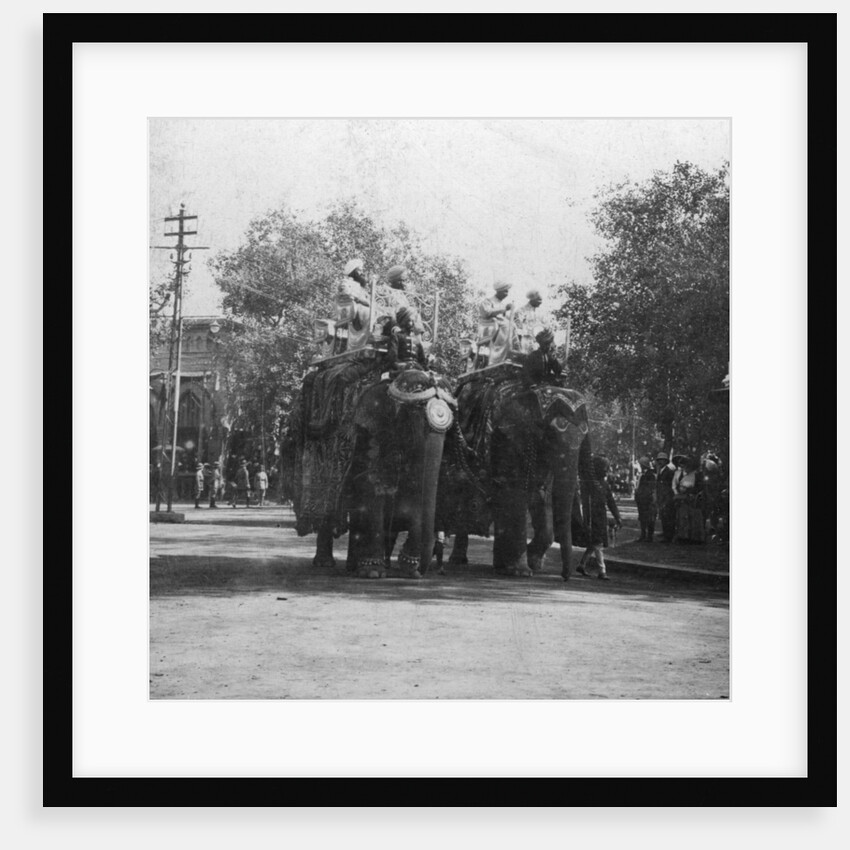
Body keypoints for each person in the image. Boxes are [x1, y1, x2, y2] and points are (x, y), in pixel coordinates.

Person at [576, 454, 622, 580]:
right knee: (597, 544)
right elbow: (587, 504)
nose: (606, 470)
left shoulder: (604, 484)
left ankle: (582, 564)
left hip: (601, 517)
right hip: (592, 517)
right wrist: (588, 522)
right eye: (604, 467)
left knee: (594, 543)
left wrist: (617, 516)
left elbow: (610, 501)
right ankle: (602, 571)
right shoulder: (589, 484)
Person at [334, 258, 372, 353]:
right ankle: (368, 339)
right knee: (369, 313)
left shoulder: (362, 287)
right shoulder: (345, 283)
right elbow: (347, 295)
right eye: (359, 270)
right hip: (352, 309)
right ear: (353, 271)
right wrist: (361, 300)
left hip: (364, 306)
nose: (362, 272)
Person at [476, 280, 514, 367]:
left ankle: (511, 353)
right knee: (507, 326)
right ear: (499, 291)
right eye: (505, 291)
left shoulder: (501, 304)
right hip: (488, 327)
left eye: (507, 291)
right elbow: (486, 313)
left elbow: (504, 317)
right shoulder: (488, 301)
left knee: (513, 326)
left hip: (499, 326)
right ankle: (496, 357)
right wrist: (504, 309)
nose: (507, 294)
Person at [672, 455, 706, 543]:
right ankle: (683, 536)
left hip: (692, 498)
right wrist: (677, 494)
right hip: (681, 498)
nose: (684, 467)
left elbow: (700, 487)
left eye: (686, 465)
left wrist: (693, 493)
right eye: (682, 465)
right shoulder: (677, 474)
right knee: (682, 517)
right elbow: (674, 486)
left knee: (694, 517)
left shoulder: (696, 474)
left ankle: (695, 538)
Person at [387, 306, 428, 372]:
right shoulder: (396, 336)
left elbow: (422, 360)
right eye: (410, 321)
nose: (412, 324)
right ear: (404, 321)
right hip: (401, 369)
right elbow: (392, 359)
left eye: (413, 321)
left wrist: (426, 369)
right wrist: (401, 366)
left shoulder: (416, 339)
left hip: (417, 368)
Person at [512, 288, 550, 353]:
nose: (541, 302)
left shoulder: (541, 312)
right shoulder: (521, 311)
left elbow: (546, 325)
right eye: (539, 300)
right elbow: (518, 328)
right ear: (532, 299)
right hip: (525, 342)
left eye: (541, 300)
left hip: (540, 342)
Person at [634, 455, 657, 542]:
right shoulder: (643, 475)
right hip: (642, 499)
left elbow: (650, 488)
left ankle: (649, 536)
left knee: (649, 518)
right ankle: (643, 534)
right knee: (642, 517)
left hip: (647, 499)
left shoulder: (650, 475)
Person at [654, 451, 676, 542]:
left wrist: (666, 498)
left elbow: (669, 486)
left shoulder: (669, 472)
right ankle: (666, 533)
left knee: (668, 517)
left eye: (662, 460)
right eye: (659, 460)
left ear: (666, 461)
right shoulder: (661, 471)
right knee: (663, 516)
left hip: (667, 497)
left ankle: (668, 536)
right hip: (661, 496)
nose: (660, 462)